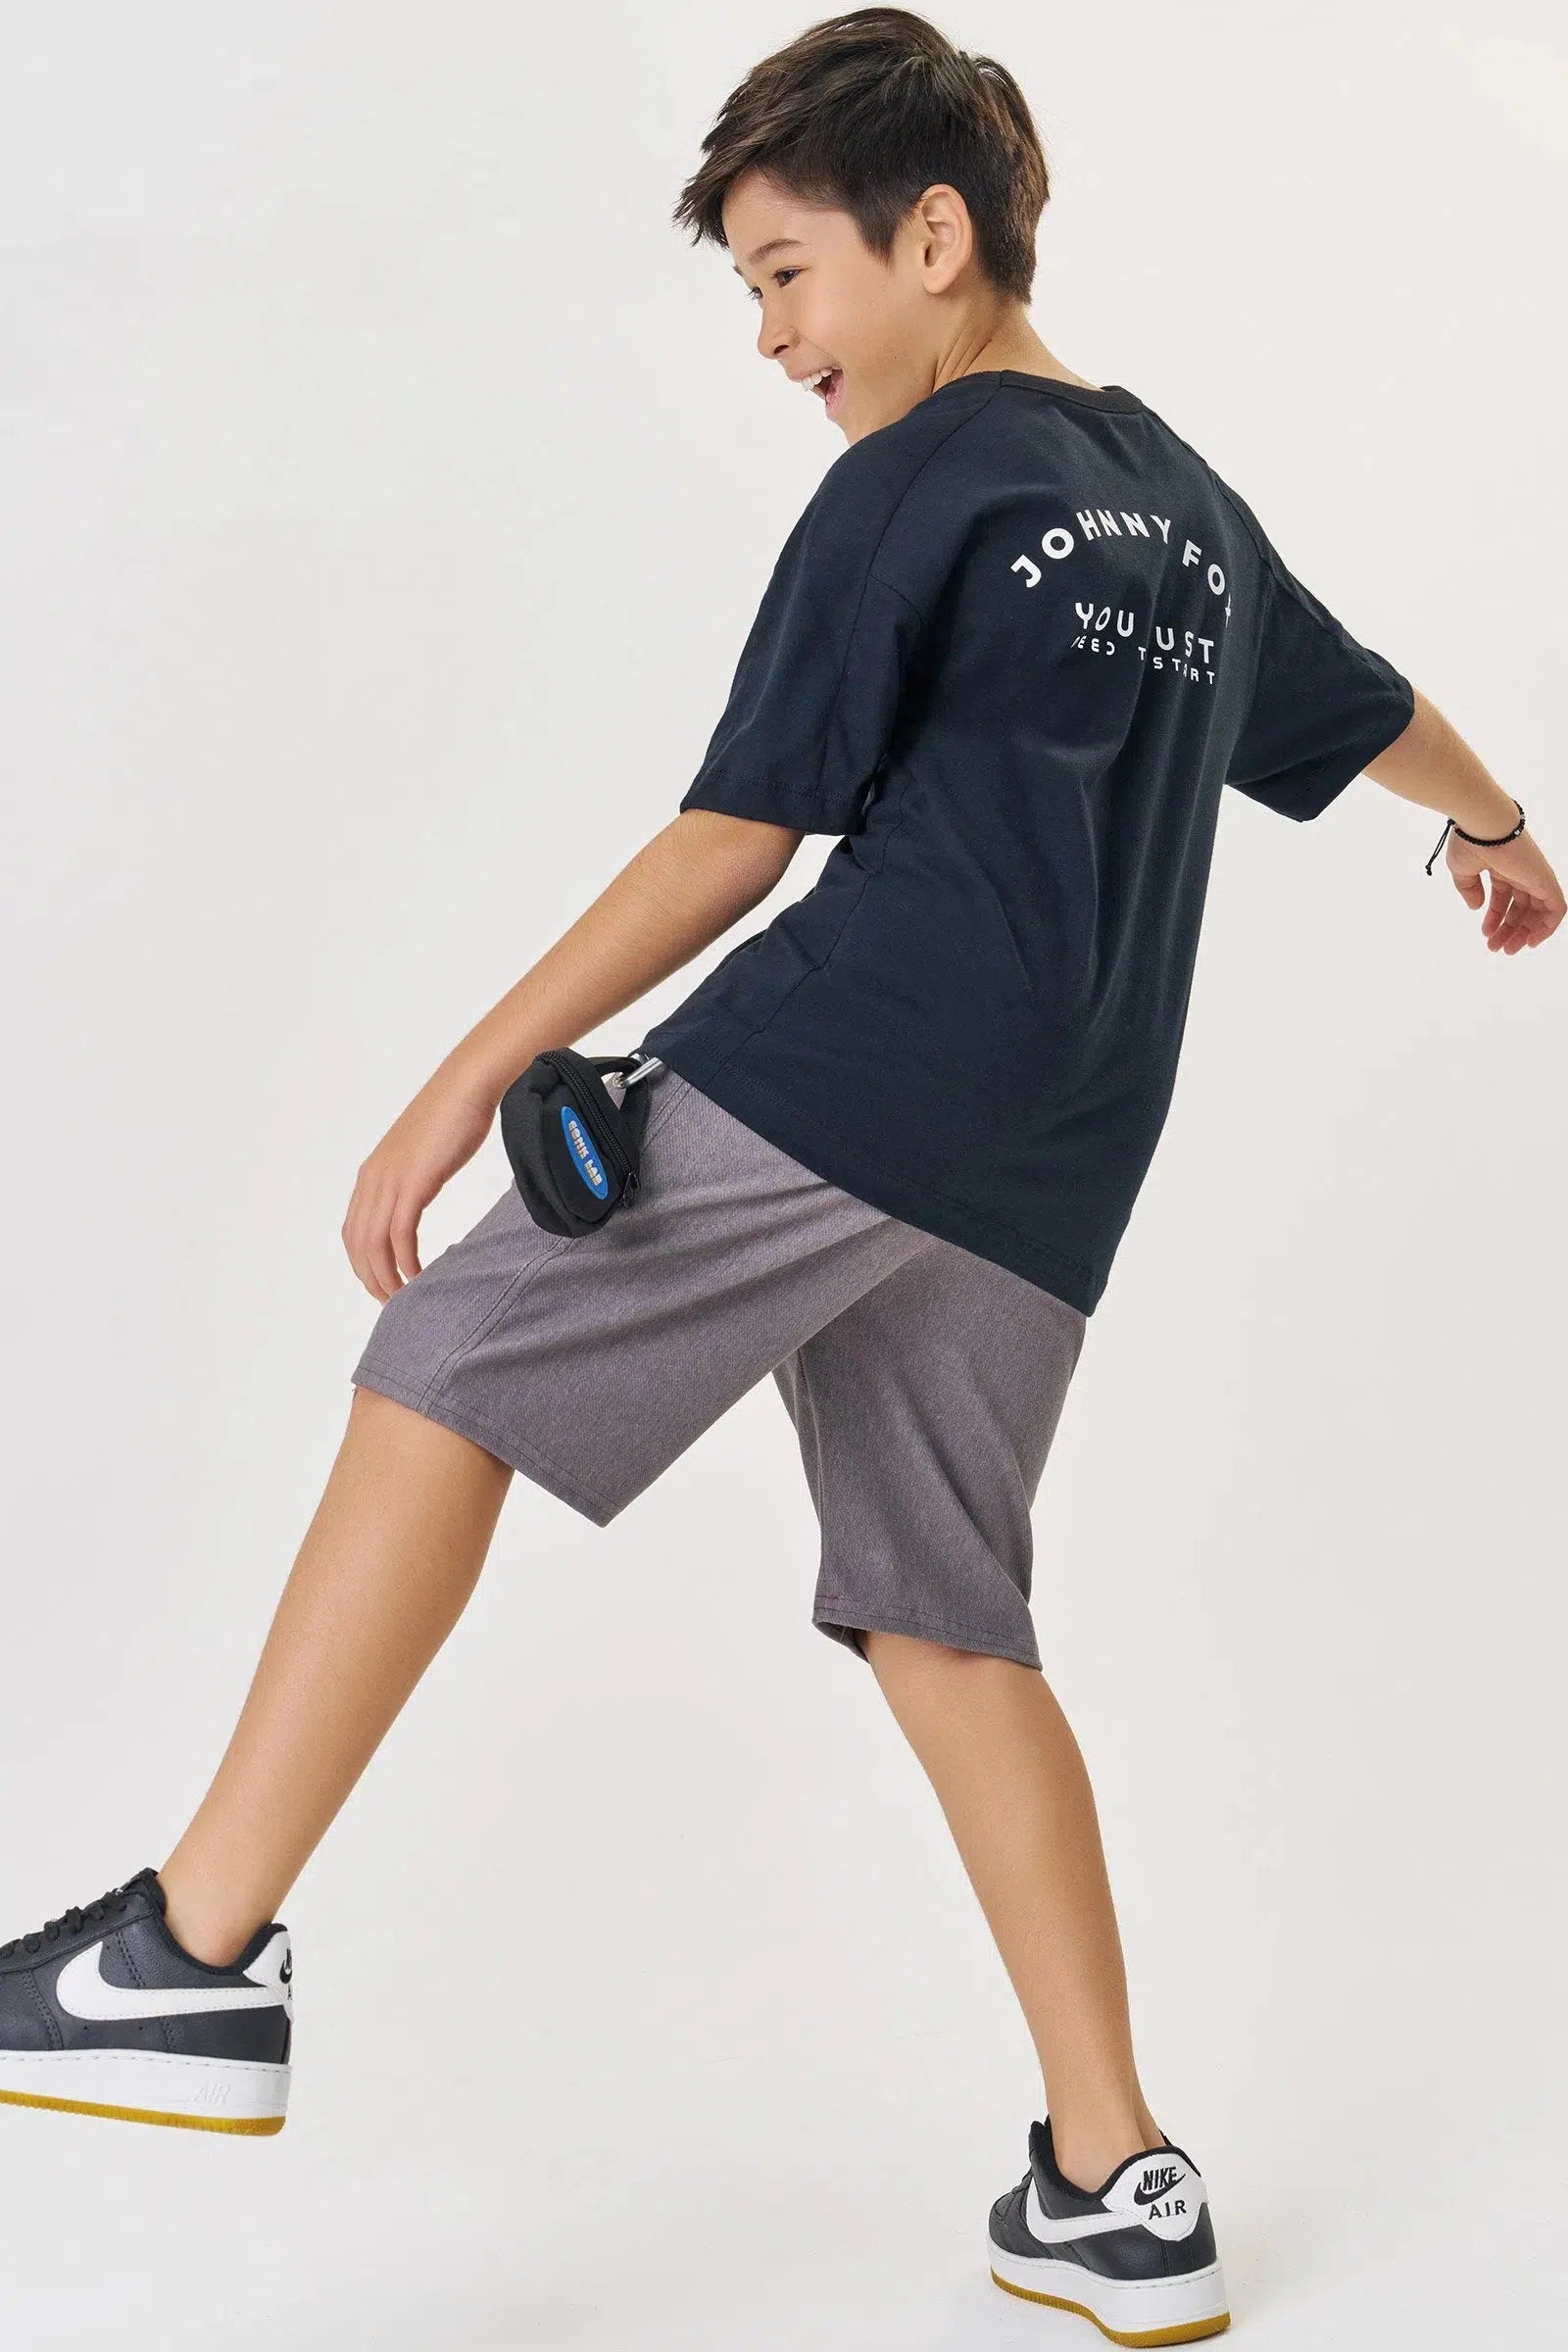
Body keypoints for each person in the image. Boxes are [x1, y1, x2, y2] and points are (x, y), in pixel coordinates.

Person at [2, 9, 1559, 2342]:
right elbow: (1366, 705)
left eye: (782, 275)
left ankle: (187, 1953)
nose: (766, 339)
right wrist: (1493, 824)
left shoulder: (914, 482)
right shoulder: (1188, 513)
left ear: (931, 240)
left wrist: (457, 1082)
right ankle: (1110, 2178)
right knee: (946, 1613)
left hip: (850, 1072)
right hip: (1050, 1163)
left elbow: (737, 835)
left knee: (443, 1357)